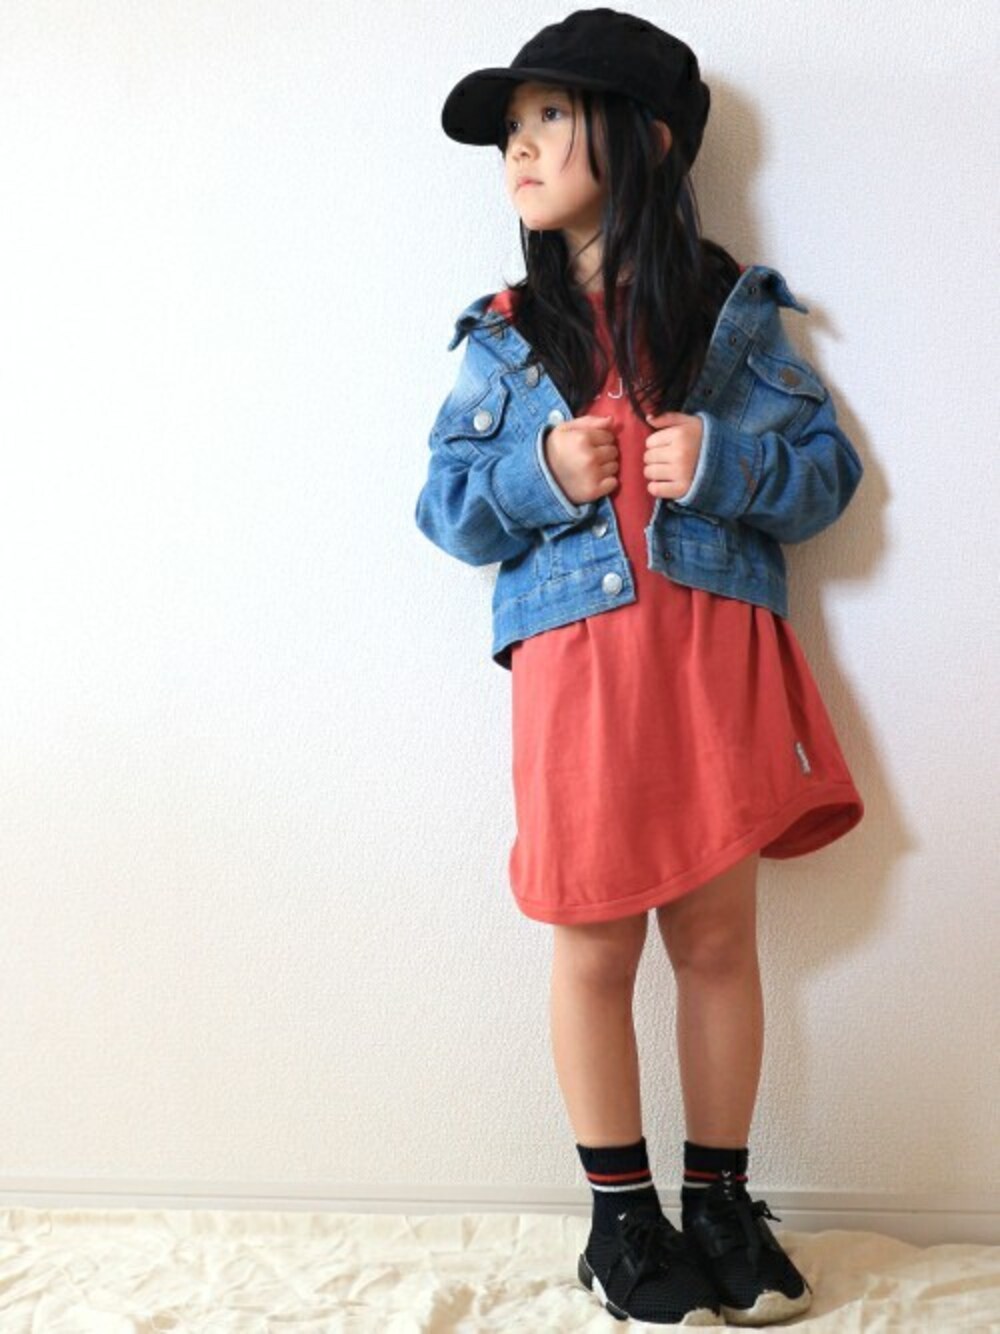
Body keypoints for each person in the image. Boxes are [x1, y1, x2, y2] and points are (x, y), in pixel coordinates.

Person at [415, 7, 866, 1326]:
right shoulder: (508, 335)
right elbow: (447, 509)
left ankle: (719, 1201)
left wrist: (724, 465)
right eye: (511, 128)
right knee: (594, 940)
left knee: (718, 937)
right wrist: (538, 471)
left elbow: (826, 476)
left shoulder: (729, 317)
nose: (519, 147)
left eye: (550, 116)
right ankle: (621, 1221)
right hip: (581, 680)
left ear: (649, 139)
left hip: (712, 659)